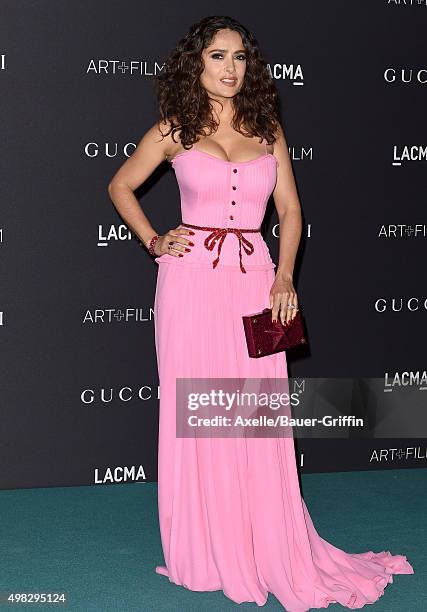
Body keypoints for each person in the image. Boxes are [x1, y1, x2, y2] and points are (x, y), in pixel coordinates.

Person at [108, 15, 414, 611]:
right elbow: (121, 185)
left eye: (240, 57)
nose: (231, 68)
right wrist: (153, 240)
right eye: (218, 56)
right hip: (190, 280)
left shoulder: (267, 126)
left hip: (255, 280)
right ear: (196, 64)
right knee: (196, 407)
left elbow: (292, 214)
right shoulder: (175, 128)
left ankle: (262, 539)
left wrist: (284, 276)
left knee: (252, 413)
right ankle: (203, 548)